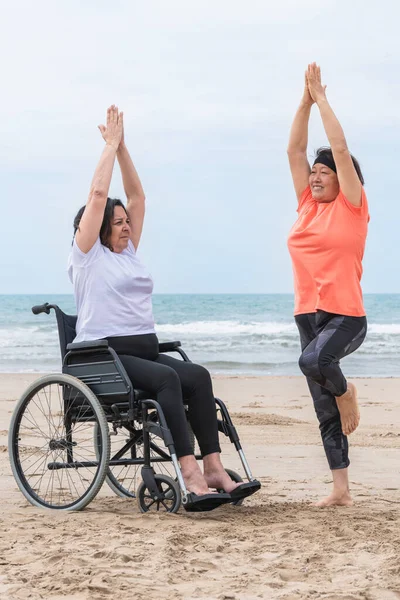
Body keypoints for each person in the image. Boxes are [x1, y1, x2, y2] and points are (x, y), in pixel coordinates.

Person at [68, 105, 258, 511]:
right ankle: (188, 473)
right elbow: (98, 195)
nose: (124, 225)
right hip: (106, 357)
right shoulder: (88, 256)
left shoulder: (129, 252)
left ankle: (213, 467)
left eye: (125, 221)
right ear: (98, 226)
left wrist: (123, 149)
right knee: (169, 380)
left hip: (144, 350)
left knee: (198, 376)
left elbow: (137, 196)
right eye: (116, 221)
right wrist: (108, 146)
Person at [287, 64, 369, 507]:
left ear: (342, 178)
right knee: (322, 407)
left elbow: (338, 146)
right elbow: (293, 151)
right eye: (314, 172)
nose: (316, 176)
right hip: (307, 312)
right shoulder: (306, 206)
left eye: (325, 171)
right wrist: (302, 103)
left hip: (346, 315)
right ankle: (341, 489)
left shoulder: (352, 206)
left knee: (315, 361)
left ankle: (347, 391)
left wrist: (321, 100)